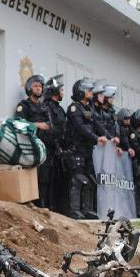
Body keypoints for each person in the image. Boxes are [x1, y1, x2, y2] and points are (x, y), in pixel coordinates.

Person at [64, 77, 101, 219]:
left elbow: (97, 125)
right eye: (88, 89)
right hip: (76, 149)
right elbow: (80, 128)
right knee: (78, 179)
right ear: (80, 91)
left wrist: (110, 138)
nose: (91, 92)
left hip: (87, 149)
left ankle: (86, 210)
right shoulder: (74, 107)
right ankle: (74, 209)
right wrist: (97, 138)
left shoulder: (89, 108)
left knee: (90, 179)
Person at [14, 74, 54, 208]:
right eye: (36, 85)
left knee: (44, 178)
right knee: (31, 175)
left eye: (40, 86)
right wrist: (37, 125)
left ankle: (42, 204)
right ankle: (29, 203)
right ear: (30, 88)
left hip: (44, 146)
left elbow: (50, 126)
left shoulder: (45, 107)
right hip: (29, 146)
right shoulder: (23, 105)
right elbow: (19, 123)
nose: (38, 88)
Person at [42, 74, 68, 211]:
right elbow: (49, 129)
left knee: (56, 179)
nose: (63, 92)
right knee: (45, 178)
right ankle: (43, 205)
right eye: (61, 89)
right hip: (48, 147)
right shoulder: (47, 107)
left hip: (58, 149)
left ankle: (54, 207)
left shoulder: (59, 108)